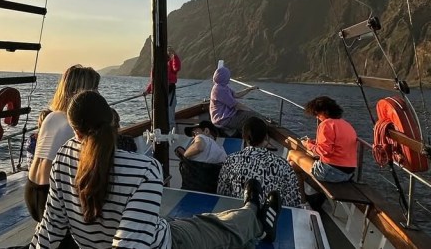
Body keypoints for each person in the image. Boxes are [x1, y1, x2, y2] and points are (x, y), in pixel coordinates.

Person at [31, 90, 282, 248]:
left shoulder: (63, 157)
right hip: (166, 243)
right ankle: (256, 218)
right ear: (114, 123)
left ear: (75, 131)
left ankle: (251, 211)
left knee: (195, 222)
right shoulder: (144, 170)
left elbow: (50, 231)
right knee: (216, 229)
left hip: (151, 231)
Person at [25, 65, 100, 223]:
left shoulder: (51, 117)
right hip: (49, 199)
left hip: (31, 191)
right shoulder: (72, 125)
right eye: (94, 89)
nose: (98, 95)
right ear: (81, 92)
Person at [217, 116, 302, 207]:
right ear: (266, 137)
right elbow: (294, 202)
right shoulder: (282, 165)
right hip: (270, 215)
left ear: (243, 137)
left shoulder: (230, 160)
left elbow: (221, 193)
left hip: (237, 213)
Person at [287, 96, 358, 203]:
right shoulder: (347, 125)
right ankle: (305, 199)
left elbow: (325, 151)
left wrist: (308, 145)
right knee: (293, 165)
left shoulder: (326, 124)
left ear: (324, 112)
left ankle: (292, 195)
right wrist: (315, 143)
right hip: (348, 173)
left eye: (317, 114)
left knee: (292, 153)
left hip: (331, 172)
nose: (316, 117)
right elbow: (336, 147)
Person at [175, 120, 227, 193]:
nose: (193, 137)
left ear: (206, 131)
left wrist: (185, 155)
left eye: (194, 133)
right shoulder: (220, 150)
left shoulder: (202, 137)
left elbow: (199, 147)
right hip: (212, 191)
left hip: (193, 189)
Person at [209, 65, 259, 136]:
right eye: (228, 76)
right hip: (223, 120)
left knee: (249, 115)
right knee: (254, 117)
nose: (229, 78)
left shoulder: (223, 87)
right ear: (224, 77)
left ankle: (242, 133)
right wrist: (252, 111)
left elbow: (236, 95)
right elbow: (236, 105)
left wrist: (249, 89)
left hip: (227, 116)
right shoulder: (219, 90)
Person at [143, 46, 181, 129]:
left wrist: (174, 55)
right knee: (157, 112)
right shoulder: (156, 67)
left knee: (170, 112)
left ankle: (171, 131)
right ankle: (158, 130)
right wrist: (147, 91)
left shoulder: (171, 63)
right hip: (159, 92)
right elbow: (153, 81)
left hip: (169, 91)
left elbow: (177, 68)